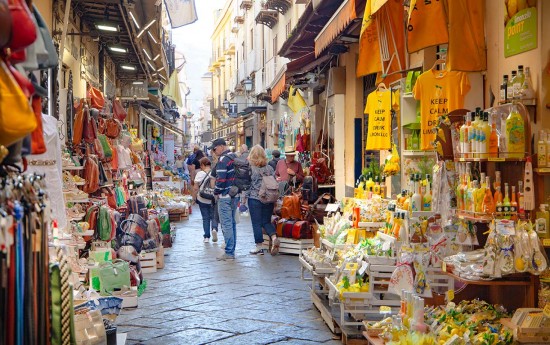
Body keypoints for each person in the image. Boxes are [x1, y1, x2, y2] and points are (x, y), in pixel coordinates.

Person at [246, 145, 280, 255]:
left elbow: (248, 184)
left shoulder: (251, 168)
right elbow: (274, 181)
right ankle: (274, 237)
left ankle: (259, 247)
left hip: (255, 198)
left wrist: (243, 198)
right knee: (266, 221)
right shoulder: (269, 168)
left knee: (256, 223)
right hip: (269, 198)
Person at [211, 138, 238, 261]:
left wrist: (216, 191)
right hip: (234, 195)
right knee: (232, 224)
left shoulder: (223, 160)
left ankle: (229, 252)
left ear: (221, 146)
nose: (213, 151)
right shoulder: (233, 157)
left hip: (225, 196)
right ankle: (231, 250)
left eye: (215, 148)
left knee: (227, 224)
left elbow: (221, 179)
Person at [193, 157, 219, 243]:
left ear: (203, 165)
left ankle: (206, 237)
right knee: (214, 216)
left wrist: (193, 198)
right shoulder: (214, 172)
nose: (200, 167)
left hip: (202, 198)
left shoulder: (199, 174)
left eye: (201, 165)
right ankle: (214, 229)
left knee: (205, 218)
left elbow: (196, 188)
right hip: (213, 198)